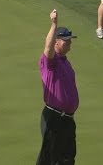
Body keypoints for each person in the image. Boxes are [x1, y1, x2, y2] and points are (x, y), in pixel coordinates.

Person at [36, 9, 79, 165]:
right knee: (50, 159)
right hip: (54, 117)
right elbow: (47, 48)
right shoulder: (50, 62)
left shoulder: (65, 62)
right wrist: (54, 24)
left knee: (68, 158)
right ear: (56, 42)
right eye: (66, 40)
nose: (70, 42)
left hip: (67, 119)